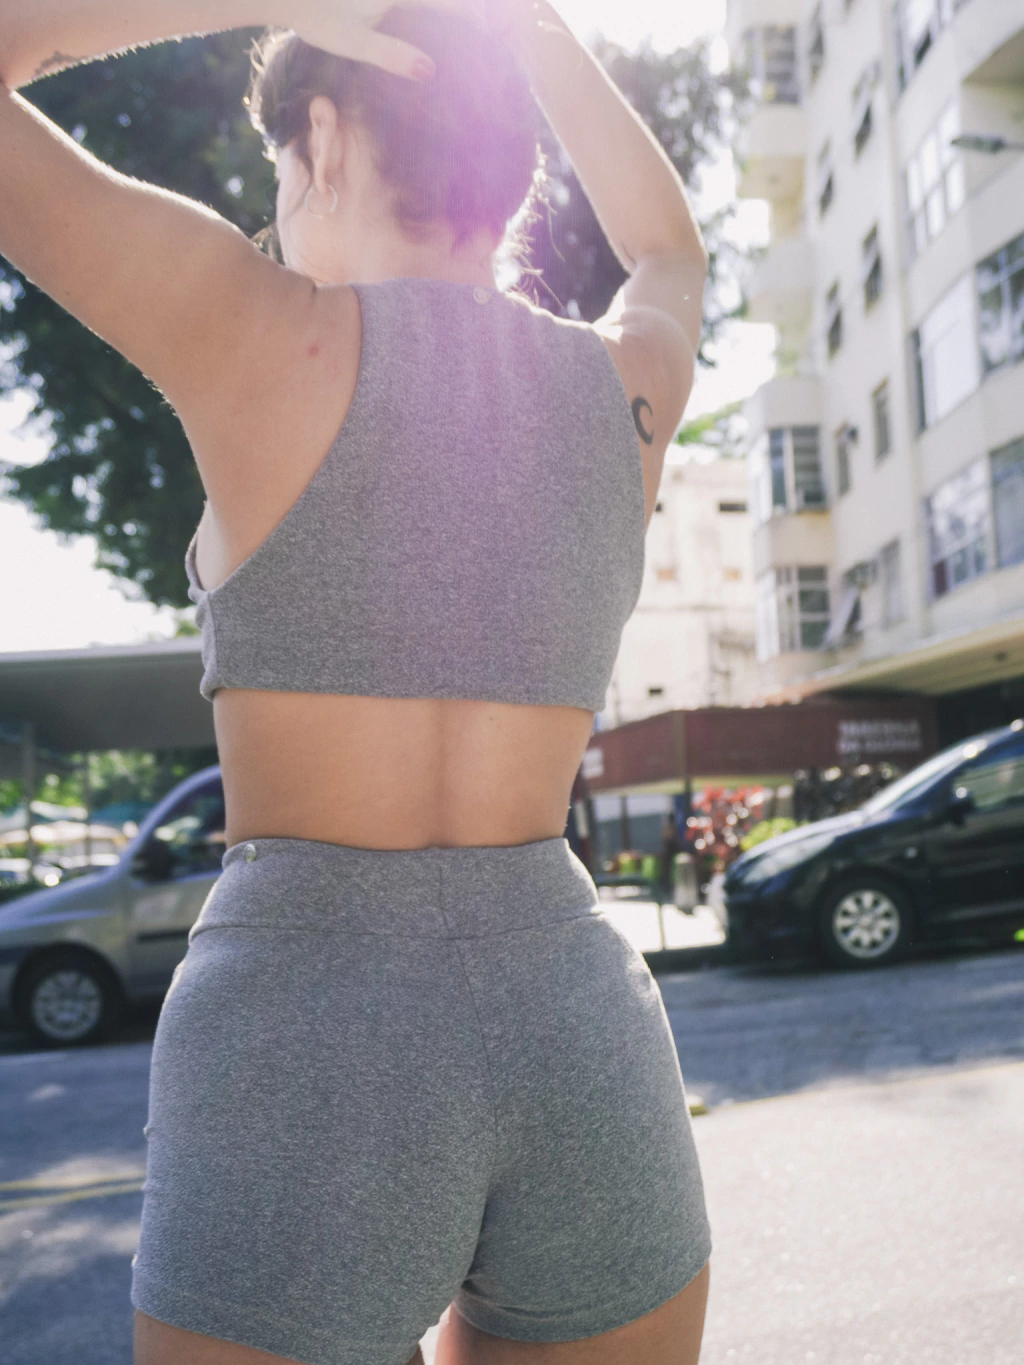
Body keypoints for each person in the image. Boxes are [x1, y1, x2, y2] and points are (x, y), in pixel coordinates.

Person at [0, 3, 712, 1362]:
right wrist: (530, 26)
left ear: (321, 139)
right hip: (576, 1020)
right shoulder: (622, 388)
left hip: (303, 1030)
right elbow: (669, 249)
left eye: (279, 177)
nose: (276, 220)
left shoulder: (251, 329)